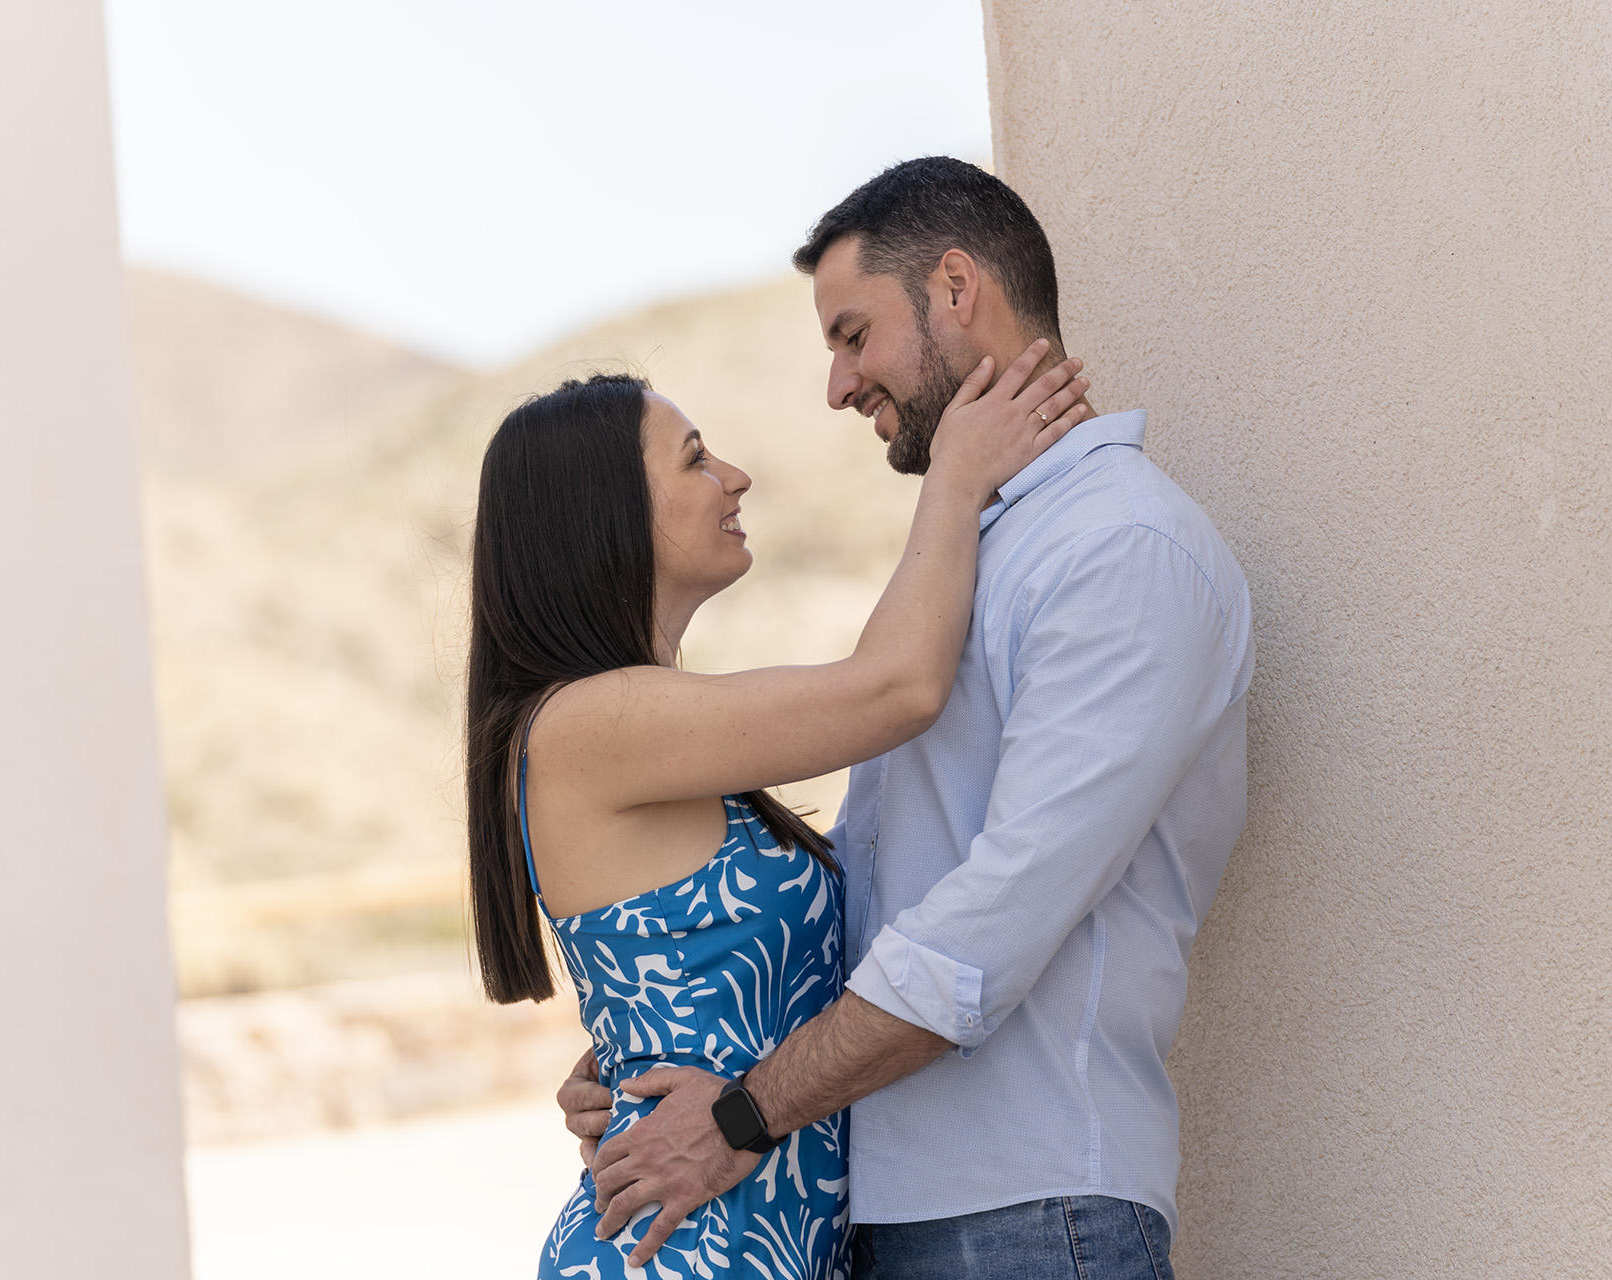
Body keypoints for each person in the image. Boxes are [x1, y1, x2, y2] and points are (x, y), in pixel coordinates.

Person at [556, 157, 1255, 1279]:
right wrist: (657, 1040)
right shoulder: (975, 550)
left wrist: (738, 1115)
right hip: (890, 1209)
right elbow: (871, 884)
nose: (838, 386)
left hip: (1031, 1212)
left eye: (853, 335)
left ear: (956, 289)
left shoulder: (1123, 548)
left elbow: (989, 924)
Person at [468, 347, 1094, 1277]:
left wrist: (621, 1060)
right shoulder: (589, 722)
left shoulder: (639, 732)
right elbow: (897, 688)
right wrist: (957, 479)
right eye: (694, 458)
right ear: (604, 514)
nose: (735, 476)